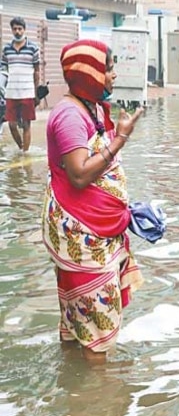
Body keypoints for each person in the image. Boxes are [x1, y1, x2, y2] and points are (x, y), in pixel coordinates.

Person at [41, 39, 145, 363]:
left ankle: (76, 387)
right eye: (107, 68)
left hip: (96, 232)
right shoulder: (70, 116)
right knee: (94, 323)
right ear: (87, 75)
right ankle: (99, 404)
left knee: (79, 320)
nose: (113, 75)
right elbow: (79, 175)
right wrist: (121, 138)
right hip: (81, 235)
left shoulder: (92, 107)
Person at [0, 17, 40, 152]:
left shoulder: (33, 48)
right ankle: (21, 146)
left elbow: (37, 71)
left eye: (20, 29)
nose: (17, 31)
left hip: (27, 92)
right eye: (15, 29)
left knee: (27, 124)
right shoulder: (6, 49)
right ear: (11, 30)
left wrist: (36, 93)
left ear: (24, 29)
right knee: (11, 124)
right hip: (11, 92)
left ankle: (25, 153)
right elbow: (3, 70)